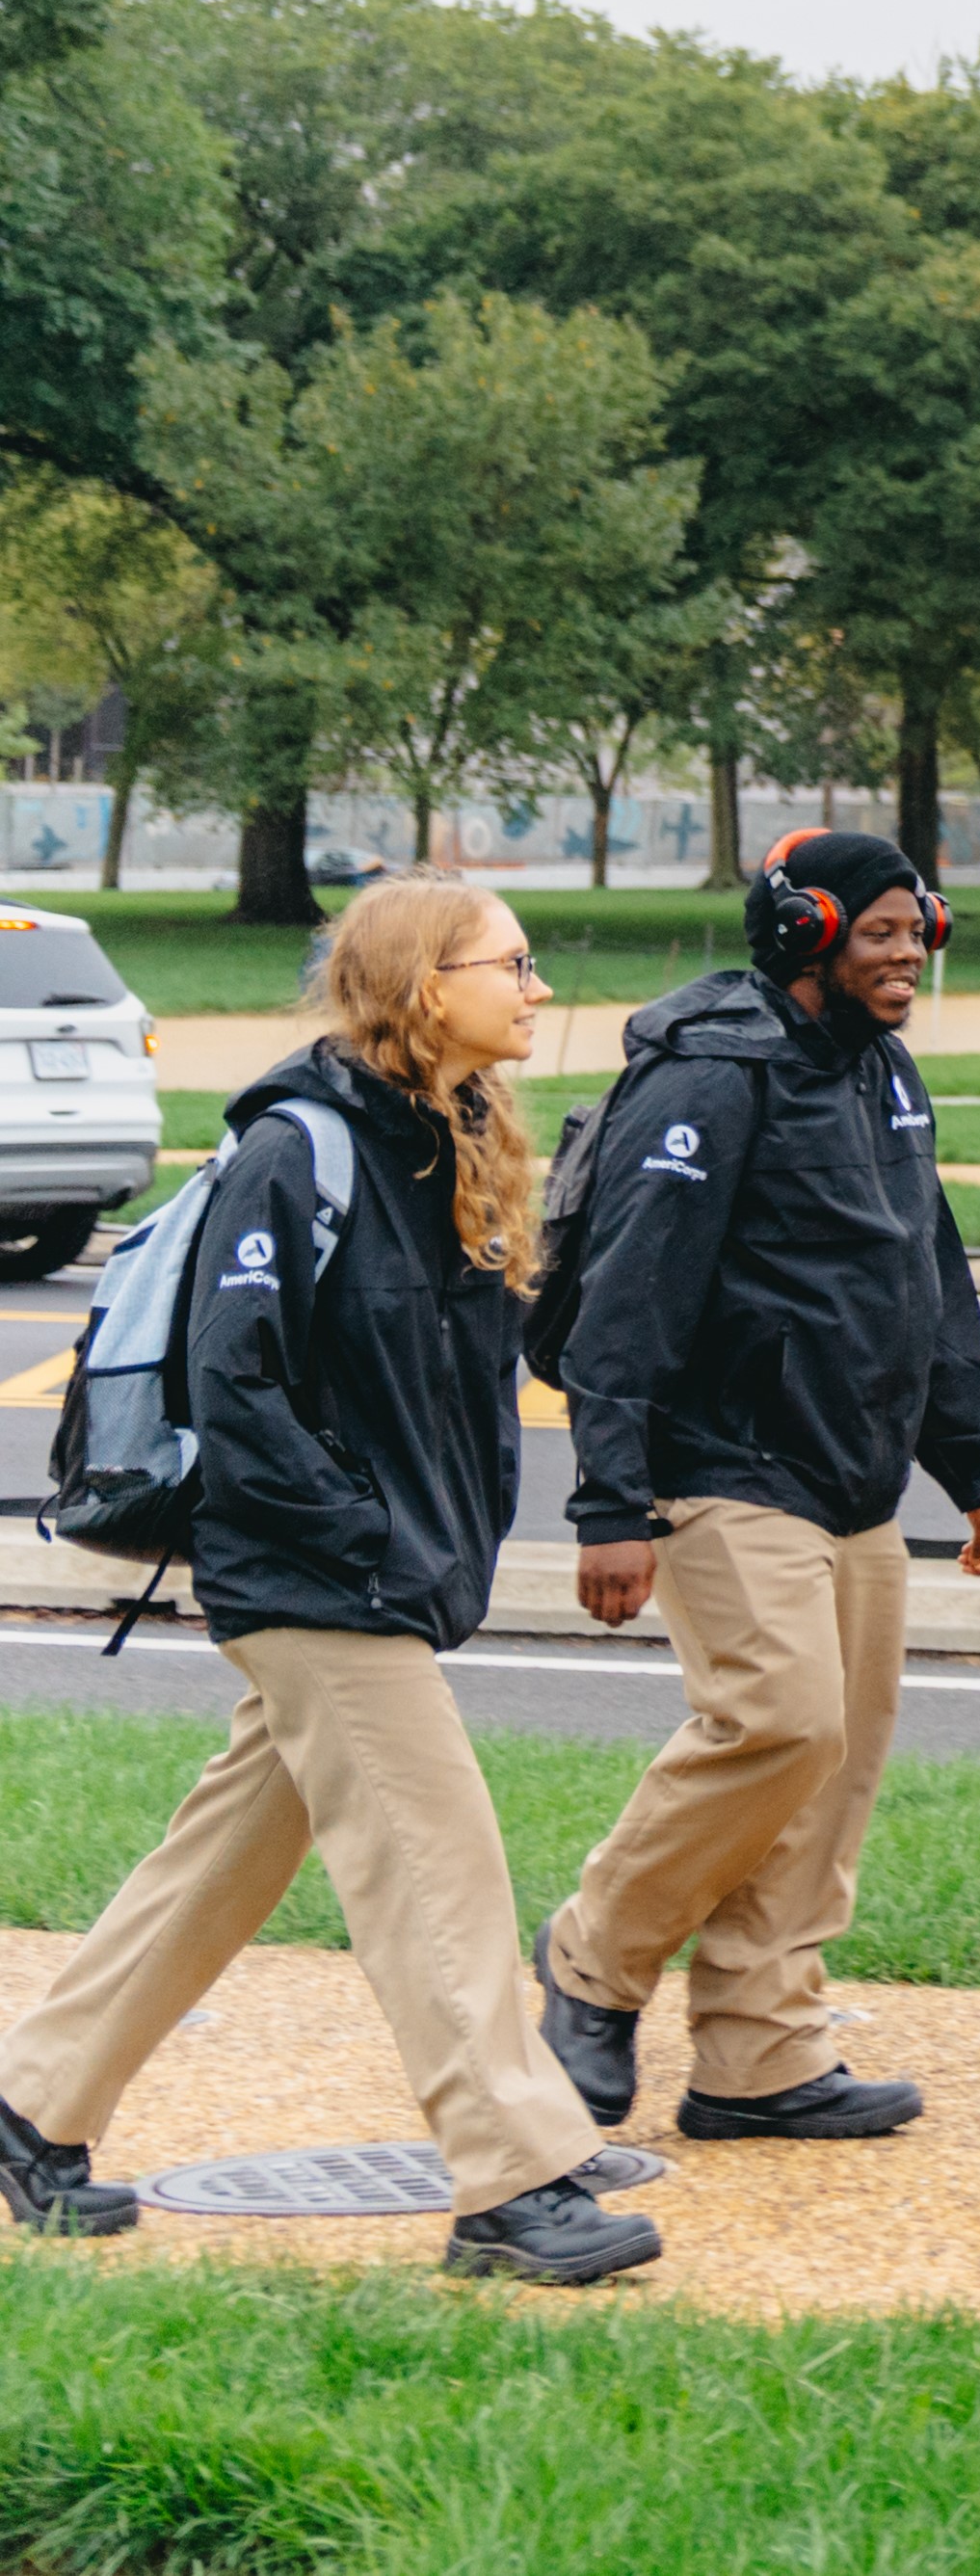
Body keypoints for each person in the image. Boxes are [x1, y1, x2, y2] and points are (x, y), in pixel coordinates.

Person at [0, 875, 656, 2282]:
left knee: (223, 1861)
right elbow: (240, 1384)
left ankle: (30, 2108)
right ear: (427, 984)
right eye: (514, 964)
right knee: (440, 1864)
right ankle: (512, 2178)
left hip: (379, 1564)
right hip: (312, 1571)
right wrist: (358, 1537)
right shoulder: (299, 1150)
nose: (536, 988)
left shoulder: (452, 1136)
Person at [535, 830, 980, 2147]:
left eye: (917, 927)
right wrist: (610, 1505)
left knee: (835, 1767)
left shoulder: (885, 1076)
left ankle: (759, 2054)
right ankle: (589, 1957)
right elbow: (628, 1296)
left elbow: (928, 1276)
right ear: (805, 933)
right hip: (723, 1463)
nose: (908, 950)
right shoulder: (711, 1079)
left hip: (852, 1476)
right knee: (780, 1722)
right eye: (879, 931)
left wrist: (972, 1463)